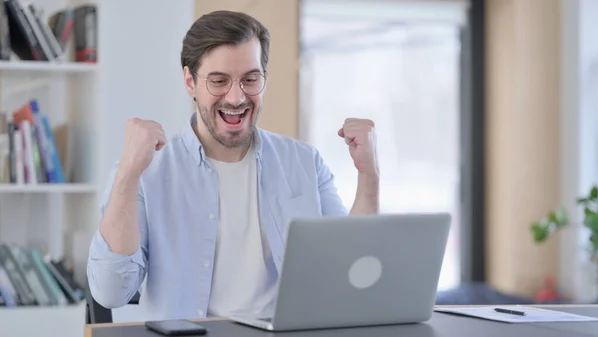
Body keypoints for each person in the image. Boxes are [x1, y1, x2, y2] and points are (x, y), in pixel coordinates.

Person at [86, 10, 379, 321]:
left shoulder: (305, 162)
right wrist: (128, 173)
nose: (237, 97)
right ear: (190, 82)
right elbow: (110, 291)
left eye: (250, 79)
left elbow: (349, 275)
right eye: (219, 81)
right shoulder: (148, 172)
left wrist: (368, 175)